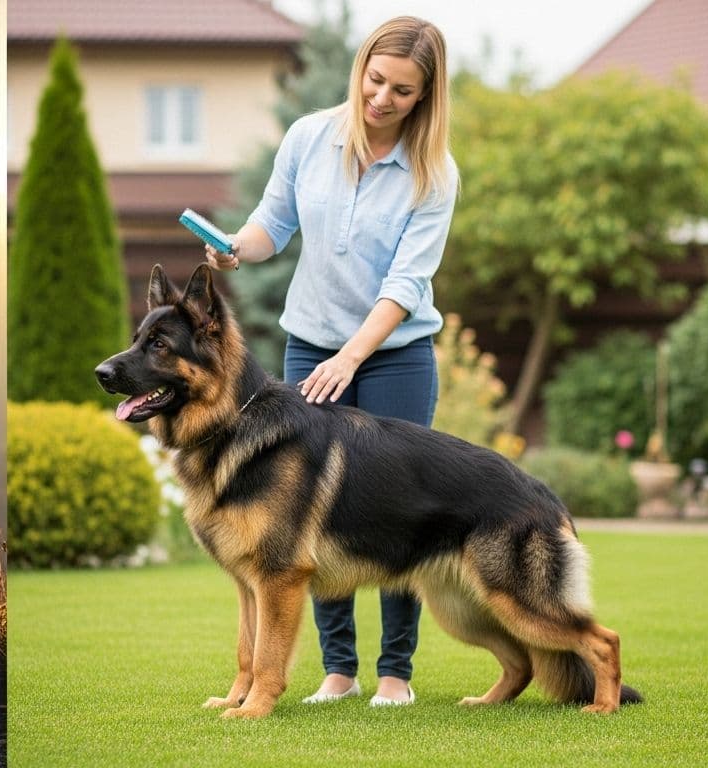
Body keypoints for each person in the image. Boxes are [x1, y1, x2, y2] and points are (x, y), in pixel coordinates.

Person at [205, 16, 458, 707]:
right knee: (305, 513)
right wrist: (236, 245)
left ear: (424, 98)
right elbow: (271, 226)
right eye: (375, 80)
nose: (381, 99)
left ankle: (396, 675)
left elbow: (406, 285)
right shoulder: (310, 136)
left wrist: (353, 356)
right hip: (311, 347)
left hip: (394, 357)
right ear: (361, 71)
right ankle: (338, 671)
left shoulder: (433, 172)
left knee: (399, 508)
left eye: (402, 92)